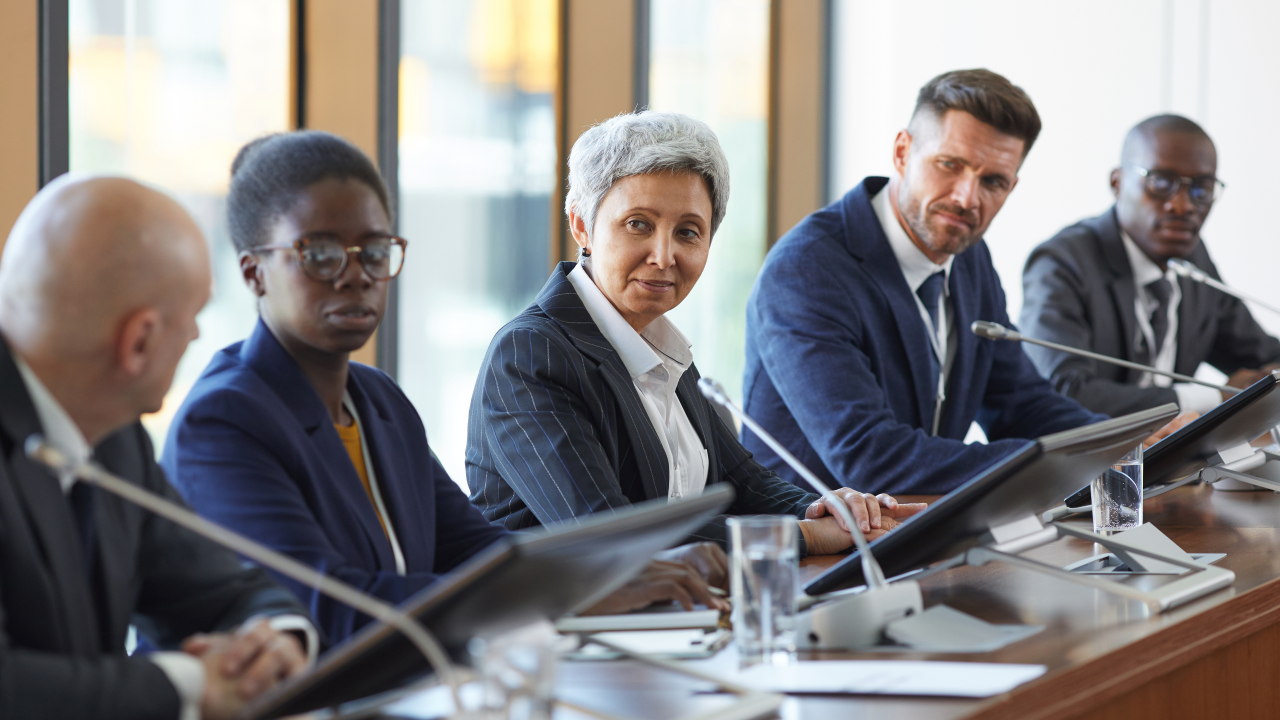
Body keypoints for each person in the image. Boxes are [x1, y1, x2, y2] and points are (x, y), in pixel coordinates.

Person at [161, 131, 729, 648]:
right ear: (253, 272)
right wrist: (575, 593)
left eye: (375, 252)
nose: (356, 273)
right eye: (322, 253)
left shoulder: (379, 402)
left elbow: (478, 553)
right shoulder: (223, 420)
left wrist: (606, 575)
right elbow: (329, 611)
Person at [467, 111, 926, 556]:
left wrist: (826, 509)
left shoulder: (659, 343)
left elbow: (741, 479)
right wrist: (803, 538)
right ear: (581, 224)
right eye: (638, 225)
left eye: (688, 232)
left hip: (677, 617)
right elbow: (608, 532)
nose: (664, 256)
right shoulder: (531, 353)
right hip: (561, 625)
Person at [742, 69, 1189, 497]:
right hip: (817, 555)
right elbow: (869, 456)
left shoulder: (968, 254)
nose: (966, 198)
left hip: (924, 533)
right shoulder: (805, 269)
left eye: (992, 181)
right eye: (949, 165)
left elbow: (1019, 402)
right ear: (902, 152)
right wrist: (1065, 460)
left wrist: (1119, 442)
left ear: (1011, 187)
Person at [0, 176, 312, 720]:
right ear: (139, 342)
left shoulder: (117, 440)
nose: (195, 338)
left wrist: (273, 643)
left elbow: (225, 588)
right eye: (192, 324)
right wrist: (189, 682)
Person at [1020, 115, 1280, 416]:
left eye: (1202, 189)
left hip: (1176, 459)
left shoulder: (1193, 260)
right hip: (1097, 461)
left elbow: (1264, 356)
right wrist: (1212, 398)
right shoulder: (1063, 262)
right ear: (1117, 183)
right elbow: (1063, 391)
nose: (1182, 206)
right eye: (1160, 182)